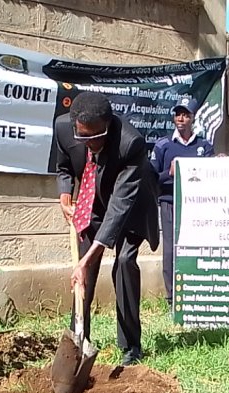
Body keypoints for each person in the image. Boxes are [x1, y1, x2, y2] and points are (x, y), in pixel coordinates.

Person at [55, 92, 160, 366]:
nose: (91, 142)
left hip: (131, 205)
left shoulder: (130, 142)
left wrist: (86, 258)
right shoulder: (63, 128)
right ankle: (79, 339)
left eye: (96, 136)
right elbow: (64, 166)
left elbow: (118, 209)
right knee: (84, 274)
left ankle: (130, 346)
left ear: (109, 124)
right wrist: (65, 192)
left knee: (124, 262)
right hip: (93, 203)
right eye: (84, 137)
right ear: (75, 126)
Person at [151, 96, 215, 306]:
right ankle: (172, 297)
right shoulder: (163, 145)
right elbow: (151, 178)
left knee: (195, 246)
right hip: (170, 202)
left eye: (186, 114)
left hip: (196, 205)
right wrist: (168, 174)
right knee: (170, 250)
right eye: (178, 114)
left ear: (193, 118)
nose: (181, 118)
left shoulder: (204, 146)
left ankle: (196, 290)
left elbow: (212, 176)